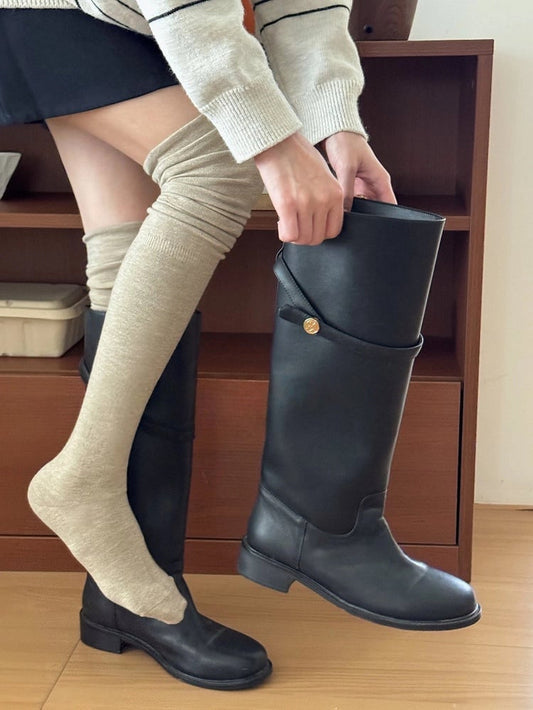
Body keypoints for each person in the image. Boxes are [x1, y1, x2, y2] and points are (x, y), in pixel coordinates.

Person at [0, 0, 396, 691]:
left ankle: (128, 598)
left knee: (125, 259)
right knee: (217, 164)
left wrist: (335, 121)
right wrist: (275, 142)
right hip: (51, 11)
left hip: (129, 20)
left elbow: (303, 6)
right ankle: (84, 477)